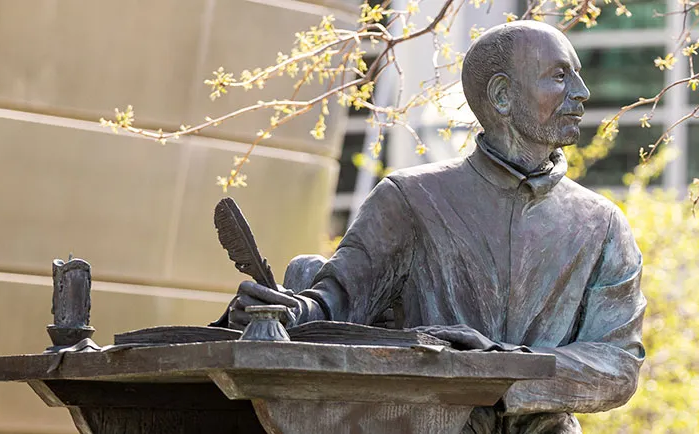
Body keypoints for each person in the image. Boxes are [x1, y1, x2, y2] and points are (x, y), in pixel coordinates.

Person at [225, 21, 645, 434]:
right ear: (502, 96)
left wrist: (498, 366)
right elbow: (336, 305)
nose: (581, 93)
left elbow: (618, 365)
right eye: (559, 76)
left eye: (578, 75)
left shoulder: (601, 224)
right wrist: (280, 311)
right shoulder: (409, 199)